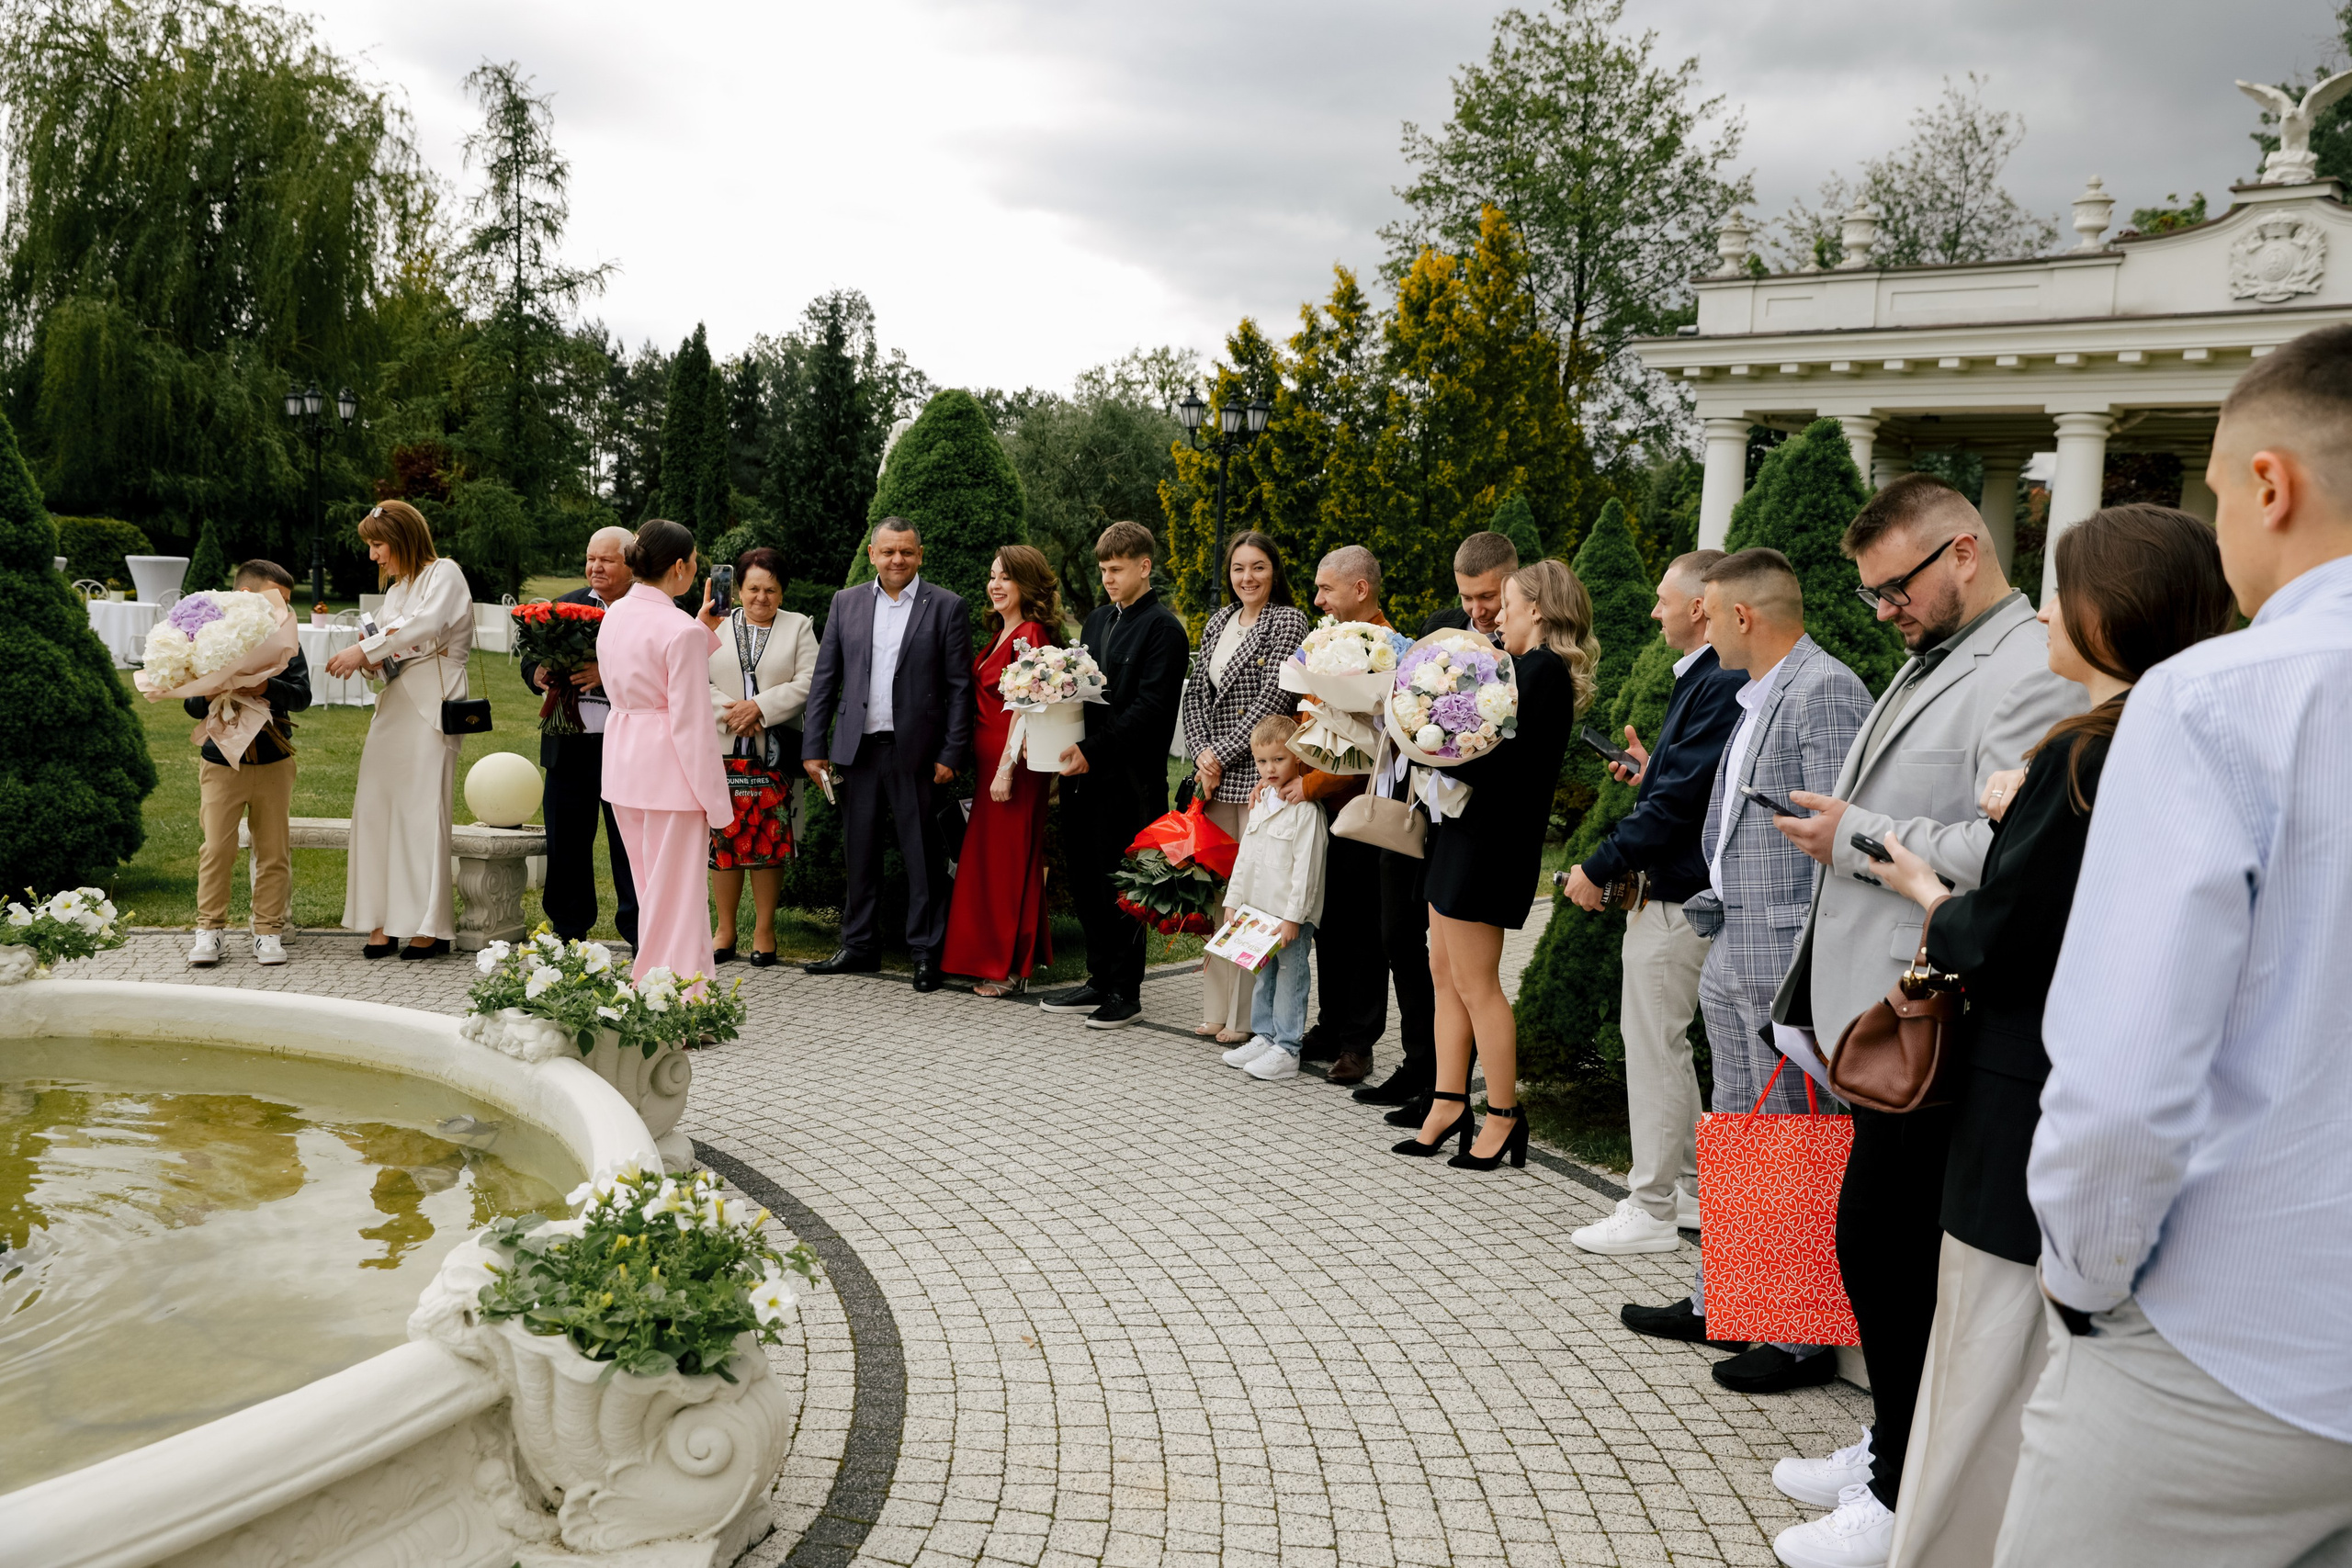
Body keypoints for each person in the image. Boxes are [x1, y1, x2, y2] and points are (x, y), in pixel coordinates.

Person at [1987, 326, 2352, 1568]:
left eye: (2209, 489)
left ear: (2270, 484)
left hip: (2233, 1347)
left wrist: (2082, 1278)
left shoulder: (2215, 697)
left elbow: (2127, 1074)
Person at [1817, 509, 2227, 1568]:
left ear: (2109, 616)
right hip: (2060, 1083)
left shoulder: (2090, 745)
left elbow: (2002, 925)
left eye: (2067, 589)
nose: (2048, 607)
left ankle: (1917, 1510)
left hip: (2022, 1085)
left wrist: (1914, 879)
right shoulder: (2142, 740)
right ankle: (1893, 1466)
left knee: (1985, 1343)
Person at [1760, 474, 2083, 1547]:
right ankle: (1893, 1441)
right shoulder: (1939, 653)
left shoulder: (2030, 662)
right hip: (1884, 999)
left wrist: (1856, 836)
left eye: (1893, 588)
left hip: (1938, 1009)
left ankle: (1902, 1490)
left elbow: (2012, 847)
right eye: (1869, 596)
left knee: (1890, 1250)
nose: (1882, 611)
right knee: (1879, 1246)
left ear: (1961, 552)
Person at [1618, 548, 1871, 1393]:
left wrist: (1808, 963)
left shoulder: (1824, 689)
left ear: (1743, 617)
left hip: (1783, 952)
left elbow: (1838, 840)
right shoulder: (1758, 694)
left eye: (1712, 610)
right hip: (1733, 939)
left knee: (1791, 1137)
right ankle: (1725, 1297)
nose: (1696, 621)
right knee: (1738, 1131)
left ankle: (1796, 1338)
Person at [1557, 549, 1744, 1254]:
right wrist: (1649, 769)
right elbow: (1683, 786)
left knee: (1656, 1047)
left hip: (1678, 893)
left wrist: (1599, 862)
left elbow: (1679, 804)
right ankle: (1690, 1191)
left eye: (1665, 598)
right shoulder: (1708, 678)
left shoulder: (1721, 678)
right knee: (1664, 1045)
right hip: (1678, 884)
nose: (1653, 608)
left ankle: (1652, 1205)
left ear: (1702, 606)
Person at [1394, 558, 1589, 1169]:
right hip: (1461, 834)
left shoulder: (1544, 673)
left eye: (1507, 603)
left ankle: (1504, 1114)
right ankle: (1449, 1101)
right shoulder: (1517, 668)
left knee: (1478, 985)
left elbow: (1506, 766)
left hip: (1494, 843)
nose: (1496, 614)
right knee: (1444, 972)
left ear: (1539, 607)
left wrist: (1429, 741)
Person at [1358, 529, 1521, 1122]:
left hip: (1475, 826)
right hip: (1416, 809)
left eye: (1488, 597)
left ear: (1513, 580)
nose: (1477, 610)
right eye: (1467, 596)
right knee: (1401, 937)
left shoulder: (1525, 651)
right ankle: (1420, 1065)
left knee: (1463, 969)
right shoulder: (1441, 629)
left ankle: (1451, 1090)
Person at [798, 519, 975, 991]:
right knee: (859, 854)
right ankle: (859, 947)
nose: (898, 560)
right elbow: (824, 679)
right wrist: (814, 745)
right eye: (889, 551)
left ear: (920, 554)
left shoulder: (946, 607)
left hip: (916, 754)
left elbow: (961, 691)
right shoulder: (846, 602)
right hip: (857, 751)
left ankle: (925, 953)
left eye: (908, 552)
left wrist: (951, 752)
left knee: (921, 857)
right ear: (872, 552)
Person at [1037, 521, 1190, 1031]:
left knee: (1122, 885)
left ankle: (1126, 990)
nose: (1107, 578)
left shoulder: (1164, 629)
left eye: (1117, 569)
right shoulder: (1098, 620)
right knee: (1084, 877)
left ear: (1144, 567)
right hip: (1084, 774)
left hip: (1129, 779)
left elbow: (1148, 710)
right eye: (1103, 570)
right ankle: (1099, 978)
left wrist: (1090, 751)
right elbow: (1082, 691)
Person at [1177, 531, 1309, 1041]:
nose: (1247, 578)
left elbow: (1275, 695)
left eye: (1257, 567)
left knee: (1257, 895)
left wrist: (1222, 753)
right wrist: (1203, 758)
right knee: (1222, 899)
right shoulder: (1218, 622)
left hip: (1259, 775)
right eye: (1237, 569)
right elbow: (1195, 697)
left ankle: (1249, 1017)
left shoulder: (1288, 620)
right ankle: (1217, 1008)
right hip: (1213, 783)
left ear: (1273, 571)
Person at [328, 500, 473, 960]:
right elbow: (388, 657)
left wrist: (365, 651)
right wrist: (369, 662)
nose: (373, 555)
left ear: (405, 538)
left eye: (377, 544)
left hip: (433, 704)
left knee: (424, 811)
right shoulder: (394, 592)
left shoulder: (444, 573)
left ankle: (430, 926)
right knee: (376, 808)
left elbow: (428, 624)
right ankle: (382, 920)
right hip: (392, 708)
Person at [596, 518, 732, 984]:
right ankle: (675, 1000)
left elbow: (647, 664)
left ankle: (662, 991)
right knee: (677, 898)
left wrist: (701, 629)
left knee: (653, 889)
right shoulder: (679, 630)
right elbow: (692, 726)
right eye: (694, 562)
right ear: (679, 566)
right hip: (671, 774)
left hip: (623, 765)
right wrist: (719, 805)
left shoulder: (615, 612)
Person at [1283, 544, 1395, 1086]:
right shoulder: (1324, 642)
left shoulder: (1389, 651)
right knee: (1329, 923)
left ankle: (1359, 1041)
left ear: (1360, 589)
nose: (1317, 598)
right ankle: (1329, 1025)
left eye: (1326, 588)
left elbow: (1370, 747)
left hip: (1363, 808)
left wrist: (1309, 782)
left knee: (1362, 929)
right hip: (1319, 806)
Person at [941, 545, 1063, 996]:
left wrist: (1006, 770)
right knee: (995, 862)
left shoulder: (1030, 633)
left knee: (1009, 862)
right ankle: (1005, 959)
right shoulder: (1005, 631)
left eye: (1005, 577)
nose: (995, 585)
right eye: (992, 576)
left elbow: (1026, 710)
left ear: (1025, 584)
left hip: (1012, 765)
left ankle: (1006, 967)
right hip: (992, 760)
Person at [185, 558, 311, 969]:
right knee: (217, 847)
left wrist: (264, 686)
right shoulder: (208, 635)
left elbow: (302, 696)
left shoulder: (284, 637)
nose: (284, 609)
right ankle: (210, 929)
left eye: (288, 603)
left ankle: (268, 932)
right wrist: (215, 685)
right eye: (279, 600)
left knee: (273, 849)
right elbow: (190, 702)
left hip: (273, 760)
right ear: (244, 596)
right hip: (222, 762)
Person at [523, 525, 639, 949]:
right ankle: (569, 933)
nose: (595, 567)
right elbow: (530, 655)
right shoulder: (565, 606)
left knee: (629, 847)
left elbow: (659, 672)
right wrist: (534, 673)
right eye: (591, 558)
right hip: (568, 747)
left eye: (606, 560)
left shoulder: (646, 610)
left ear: (630, 563)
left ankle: (640, 933)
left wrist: (605, 678)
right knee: (567, 844)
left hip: (625, 749)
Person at [706, 546, 818, 966]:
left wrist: (762, 708)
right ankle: (724, 929)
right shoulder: (714, 625)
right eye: (753, 588)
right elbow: (693, 675)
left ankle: (765, 930)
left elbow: (810, 681)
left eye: (771, 590)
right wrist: (734, 712)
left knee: (771, 841)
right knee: (724, 841)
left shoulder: (799, 628)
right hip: (722, 748)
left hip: (773, 754)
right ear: (739, 589)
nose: (761, 598)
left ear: (782, 593)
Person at [1217, 714, 1329, 1083]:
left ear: (1297, 757)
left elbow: (1307, 870)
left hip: (1287, 917)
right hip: (1259, 913)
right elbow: (1246, 856)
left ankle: (1287, 1048)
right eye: (1262, 761)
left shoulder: (1306, 811)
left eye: (1279, 759)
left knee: (1290, 978)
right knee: (1263, 976)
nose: (1269, 768)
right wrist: (1233, 901)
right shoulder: (1261, 801)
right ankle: (1264, 1036)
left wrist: (1294, 917)